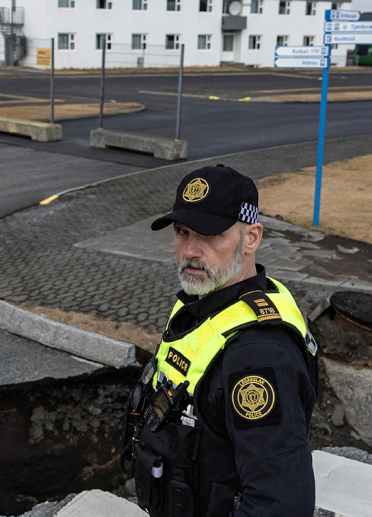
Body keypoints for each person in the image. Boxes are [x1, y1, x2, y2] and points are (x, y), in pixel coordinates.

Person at [119, 165, 319, 517]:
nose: (190, 250)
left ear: (251, 238)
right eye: (182, 232)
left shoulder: (258, 354)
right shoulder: (206, 305)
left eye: (210, 236)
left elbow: (280, 503)